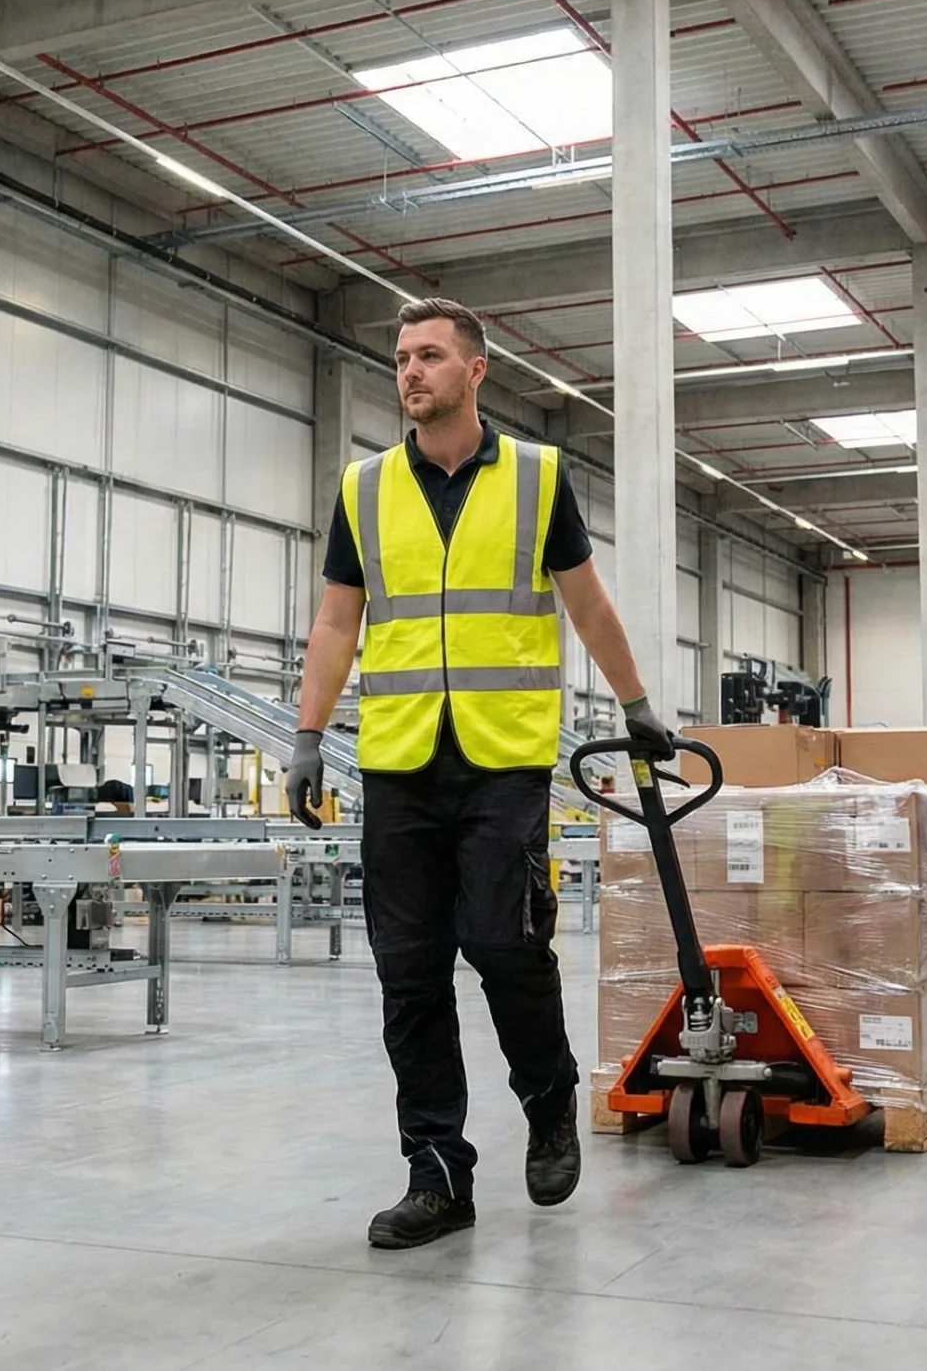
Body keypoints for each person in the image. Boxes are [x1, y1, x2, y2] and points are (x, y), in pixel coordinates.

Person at [284, 297, 672, 1252]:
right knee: (408, 973)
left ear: (476, 371)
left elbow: (586, 602)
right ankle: (438, 1171)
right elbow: (339, 621)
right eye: (402, 357)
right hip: (401, 761)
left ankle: (548, 1100)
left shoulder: (539, 478)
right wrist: (306, 733)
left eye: (429, 355)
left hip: (503, 758)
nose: (410, 371)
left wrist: (634, 706)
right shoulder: (365, 487)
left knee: (506, 944)